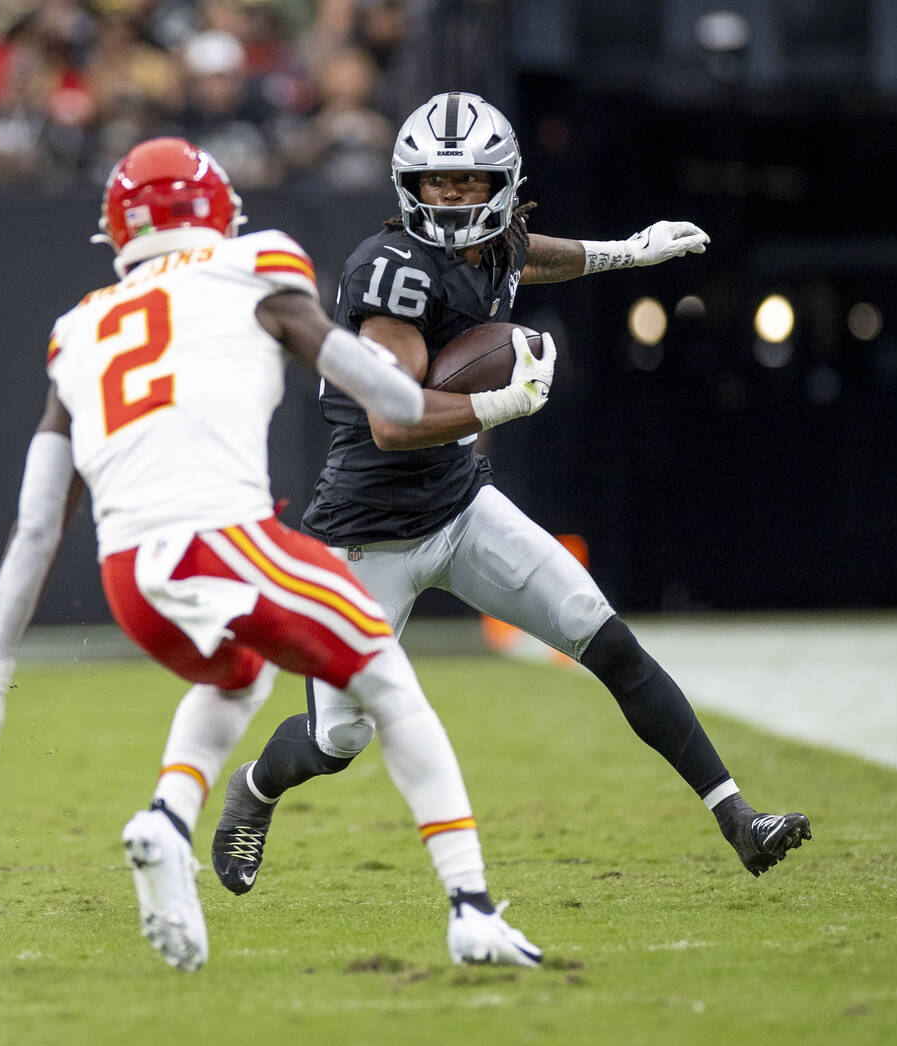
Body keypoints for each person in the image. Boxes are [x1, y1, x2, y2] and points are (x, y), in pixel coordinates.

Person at [0, 136, 555, 971]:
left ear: (118, 232)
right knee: (388, 680)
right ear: (217, 213)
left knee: (238, 673)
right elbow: (391, 402)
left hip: (128, 578)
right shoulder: (255, 261)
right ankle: (471, 907)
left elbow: (37, 526)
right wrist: (494, 398)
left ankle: (165, 815)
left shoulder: (77, 329)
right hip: (222, 544)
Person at [210, 91, 811, 897]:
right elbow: (393, 421)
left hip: (459, 506)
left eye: (469, 182)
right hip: (369, 538)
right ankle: (253, 790)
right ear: (407, 186)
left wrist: (629, 252)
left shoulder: (496, 242)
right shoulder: (389, 272)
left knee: (607, 641)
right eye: (437, 182)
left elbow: (527, 251)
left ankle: (740, 819)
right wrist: (500, 404)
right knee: (337, 739)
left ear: (502, 182)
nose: (453, 198)